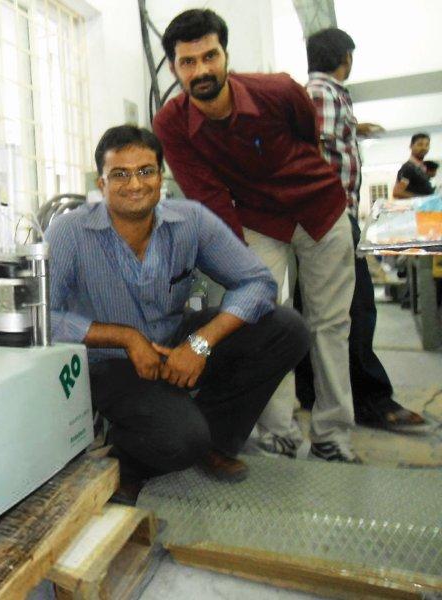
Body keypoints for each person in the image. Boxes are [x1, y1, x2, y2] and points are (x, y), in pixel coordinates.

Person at [47, 125, 309, 496]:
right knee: (179, 439)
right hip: (109, 361)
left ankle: (214, 442)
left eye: (145, 171)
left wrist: (200, 344)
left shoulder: (190, 221)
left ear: (160, 177)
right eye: (120, 174)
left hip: (173, 344)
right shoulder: (69, 232)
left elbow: (258, 282)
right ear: (101, 184)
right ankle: (126, 459)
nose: (134, 184)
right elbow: (43, 317)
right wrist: (125, 338)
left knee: (286, 329)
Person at [153, 9, 359, 462]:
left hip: (320, 211)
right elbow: (207, 196)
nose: (201, 70)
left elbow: (308, 134)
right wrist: (240, 268)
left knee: (329, 326)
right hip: (257, 221)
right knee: (262, 320)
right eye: (188, 62)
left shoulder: (279, 90)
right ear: (173, 67)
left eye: (210, 56)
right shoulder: (171, 124)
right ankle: (278, 434)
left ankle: (332, 436)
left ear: (226, 55)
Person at [303, 28, 426, 432]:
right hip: (333, 218)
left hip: (329, 218)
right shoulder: (322, 93)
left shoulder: (325, 94)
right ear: (346, 58)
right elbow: (313, 149)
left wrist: (357, 129)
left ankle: (313, 392)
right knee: (356, 310)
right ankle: (371, 399)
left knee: (322, 310)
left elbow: (326, 140)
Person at [393, 134, 434, 198]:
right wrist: (423, 199)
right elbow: (397, 192)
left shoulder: (420, 167)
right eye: (420, 144)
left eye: (427, 145)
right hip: (419, 204)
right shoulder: (408, 168)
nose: (424, 148)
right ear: (411, 146)